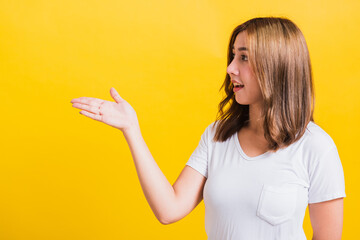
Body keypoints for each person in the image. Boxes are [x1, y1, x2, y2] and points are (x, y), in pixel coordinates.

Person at [70, 17, 346, 240]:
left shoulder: (316, 147)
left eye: (244, 58)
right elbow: (169, 209)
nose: (230, 68)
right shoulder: (217, 136)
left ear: (277, 66)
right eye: (233, 56)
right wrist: (132, 129)